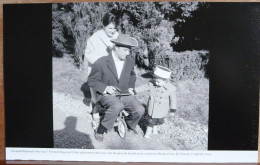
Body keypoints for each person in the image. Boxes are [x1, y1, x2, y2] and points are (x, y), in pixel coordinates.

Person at [88, 34, 145, 142]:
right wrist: (106, 88)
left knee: (140, 109)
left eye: (129, 50)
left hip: (124, 92)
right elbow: (91, 80)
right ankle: (101, 129)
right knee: (117, 106)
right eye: (125, 50)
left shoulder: (130, 60)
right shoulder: (101, 62)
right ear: (116, 48)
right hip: (107, 94)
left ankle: (128, 125)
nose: (128, 53)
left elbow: (132, 75)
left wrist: (131, 87)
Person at [82, 12, 119, 125]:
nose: (112, 31)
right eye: (110, 28)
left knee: (111, 91)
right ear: (104, 26)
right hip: (98, 69)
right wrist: (100, 62)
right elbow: (88, 53)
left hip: (111, 70)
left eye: (115, 28)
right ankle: (95, 113)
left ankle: (110, 111)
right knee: (97, 92)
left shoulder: (117, 36)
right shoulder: (95, 38)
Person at [134, 65, 177, 139]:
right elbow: (144, 87)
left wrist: (173, 109)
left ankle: (155, 130)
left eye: (159, 82)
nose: (156, 83)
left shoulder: (170, 88)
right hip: (152, 108)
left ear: (165, 81)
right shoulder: (152, 84)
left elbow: (173, 99)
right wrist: (135, 90)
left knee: (158, 121)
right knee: (151, 122)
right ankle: (147, 133)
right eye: (155, 80)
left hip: (162, 109)